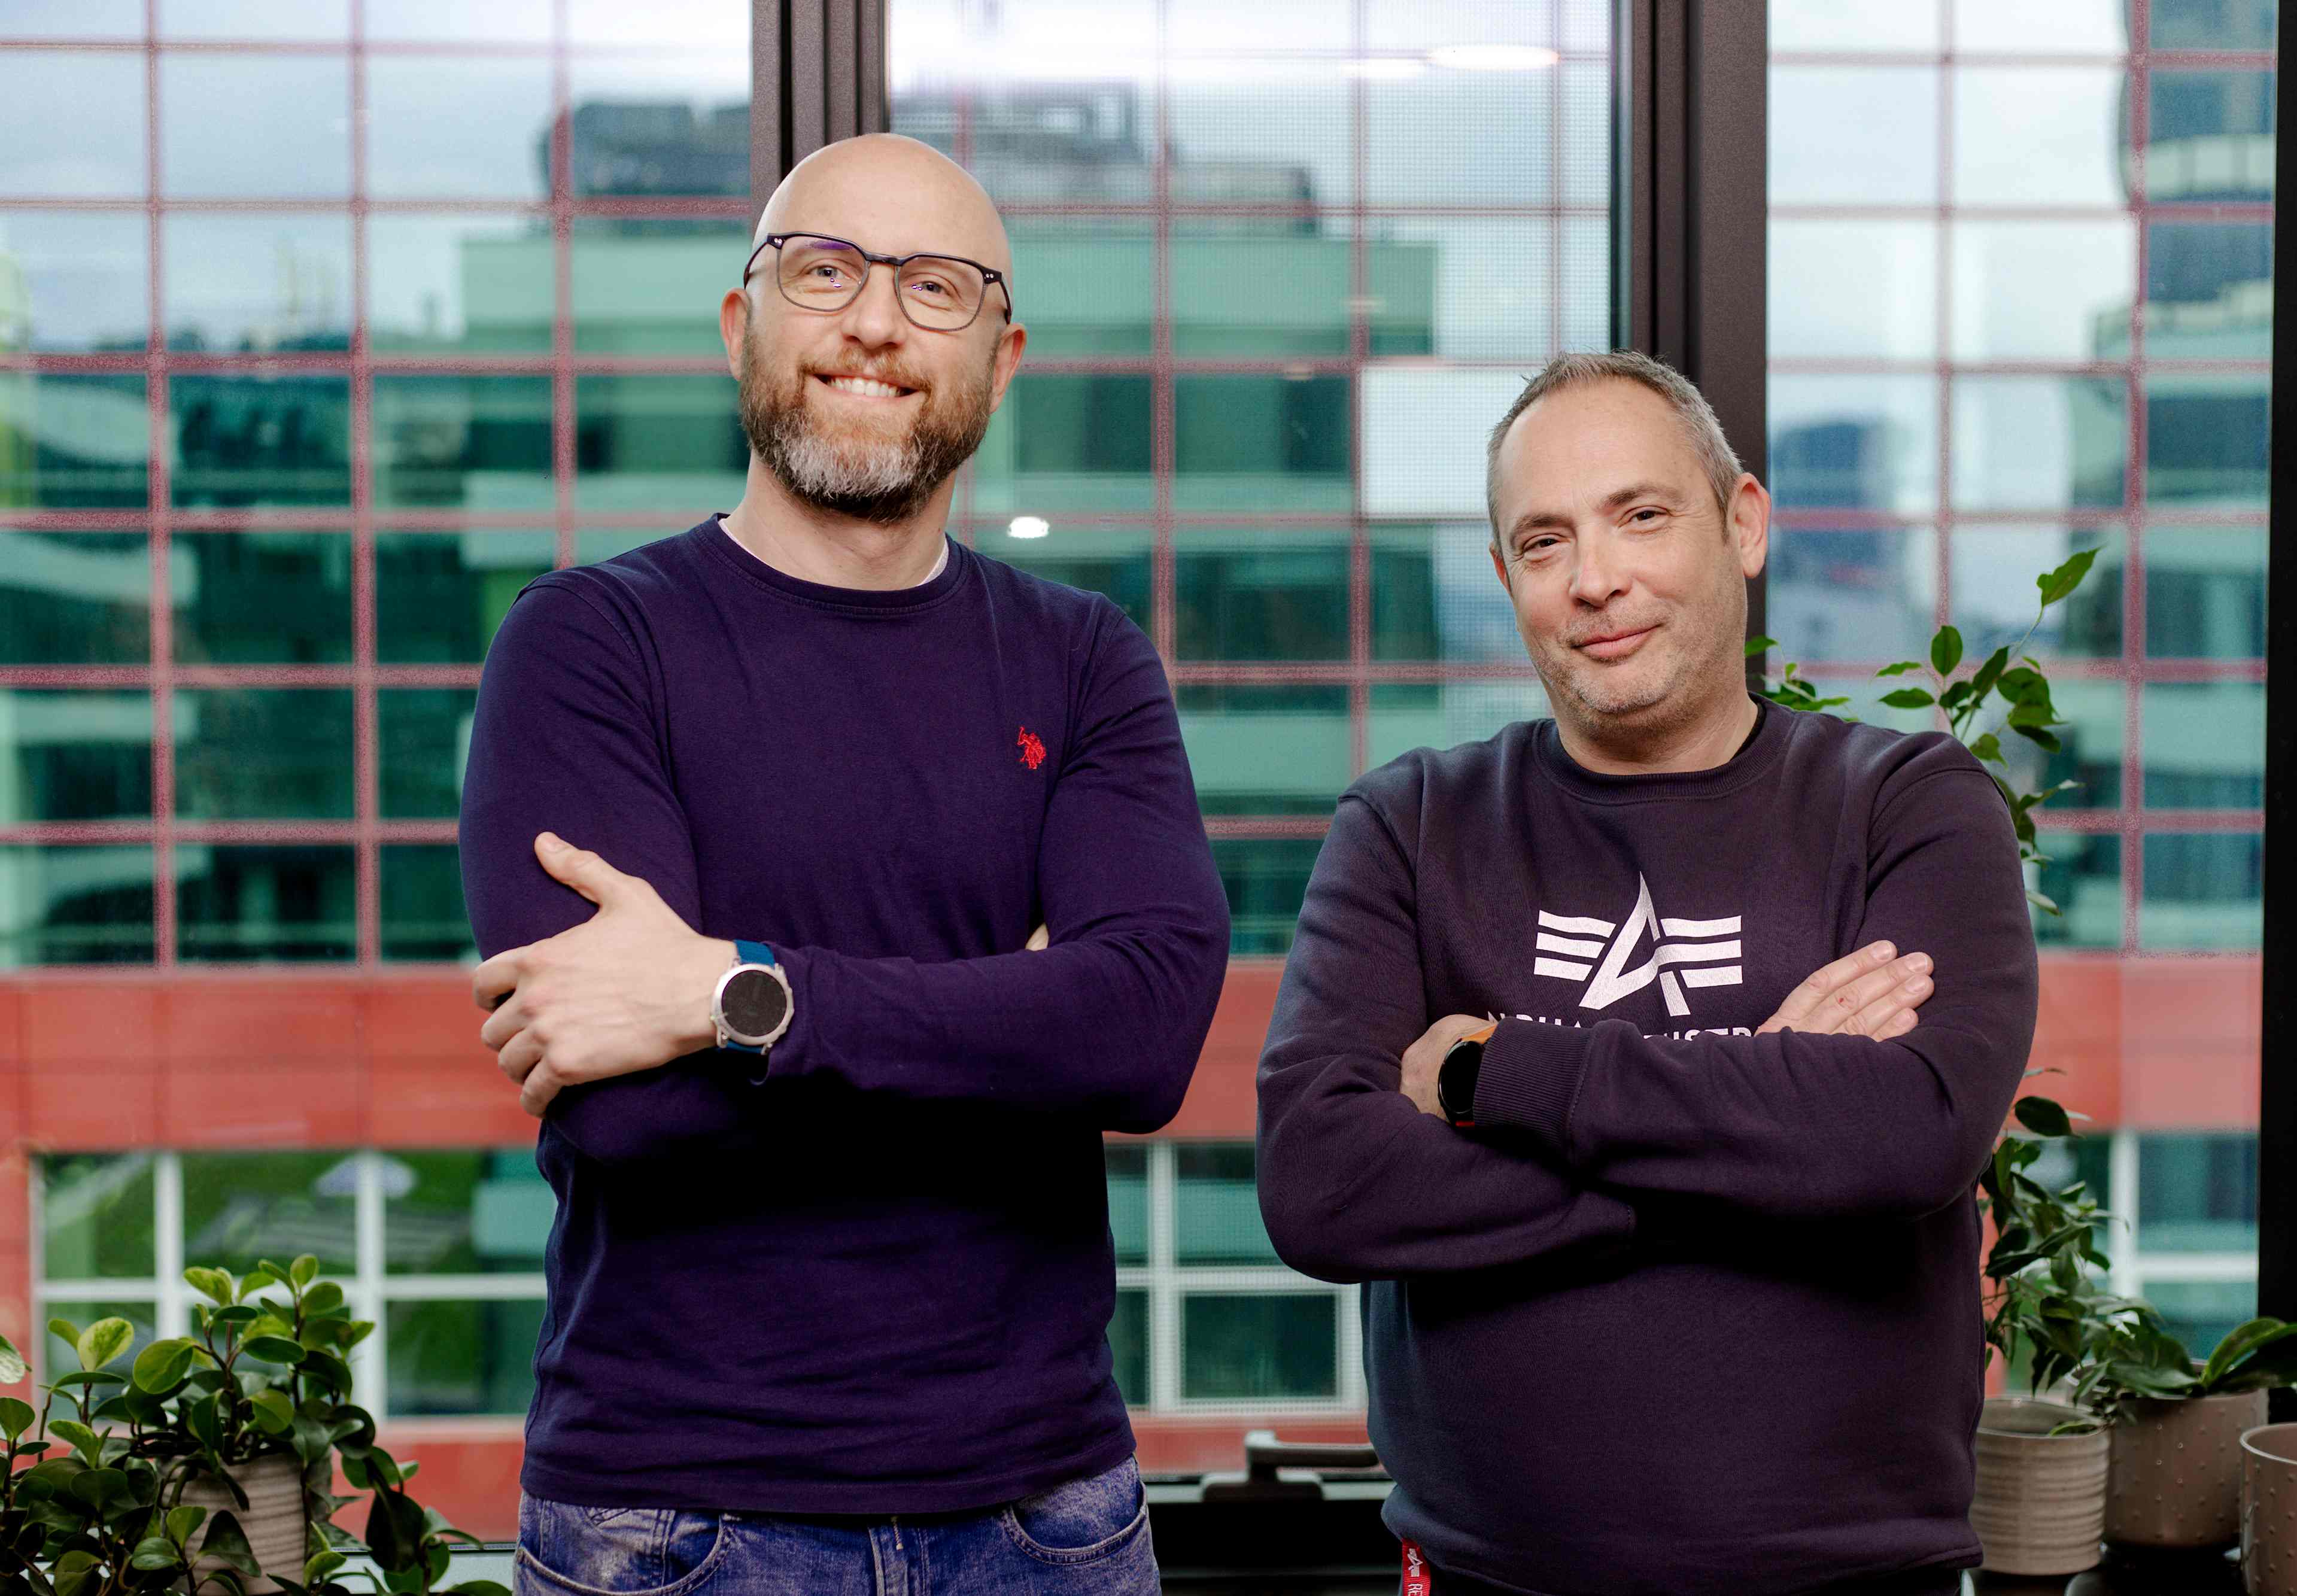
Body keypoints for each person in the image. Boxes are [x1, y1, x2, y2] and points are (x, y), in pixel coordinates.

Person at [458, 133, 1228, 1596]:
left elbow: (1138, 1036)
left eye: (934, 286)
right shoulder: (587, 647)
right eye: (824, 271)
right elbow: (634, 1119)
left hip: (1047, 1518)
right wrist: (1011, 1018)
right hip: (673, 1525)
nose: (874, 322)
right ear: (740, 323)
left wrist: (728, 993)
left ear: (1001, 360)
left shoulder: (1082, 660)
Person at [1254, 349, 2038, 1596]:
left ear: (1743, 525)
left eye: (1640, 515)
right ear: (1507, 578)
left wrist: (1495, 1074)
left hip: (1849, 1581)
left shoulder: (1908, 805)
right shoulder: (1410, 824)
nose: (1595, 578)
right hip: (1485, 1579)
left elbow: (1909, 1133)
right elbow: (1322, 1186)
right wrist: (1768, 1108)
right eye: (1545, 541)